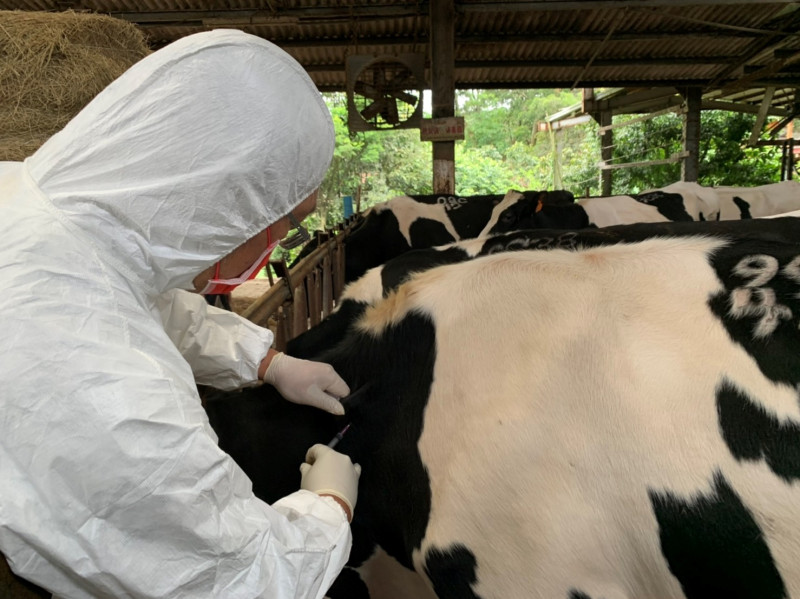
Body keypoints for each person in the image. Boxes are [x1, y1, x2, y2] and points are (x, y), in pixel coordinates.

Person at [0, 29, 361, 598]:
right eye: (286, 222)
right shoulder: (108, 384)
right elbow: (240, 579)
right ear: (228, 202)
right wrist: (328, 506)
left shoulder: (33, 203)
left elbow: (143, 299)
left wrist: (265, 361)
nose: (277, 242)